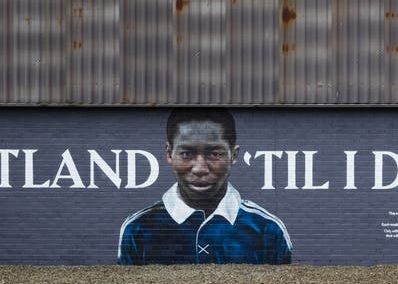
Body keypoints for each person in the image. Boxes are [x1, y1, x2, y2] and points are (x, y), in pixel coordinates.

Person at [118, 108, 292, 265]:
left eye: (215, 154)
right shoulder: (138, 228)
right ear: (169, 154)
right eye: (186, 154)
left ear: (234, 155)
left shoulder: (267, 229)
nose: (200, 168)